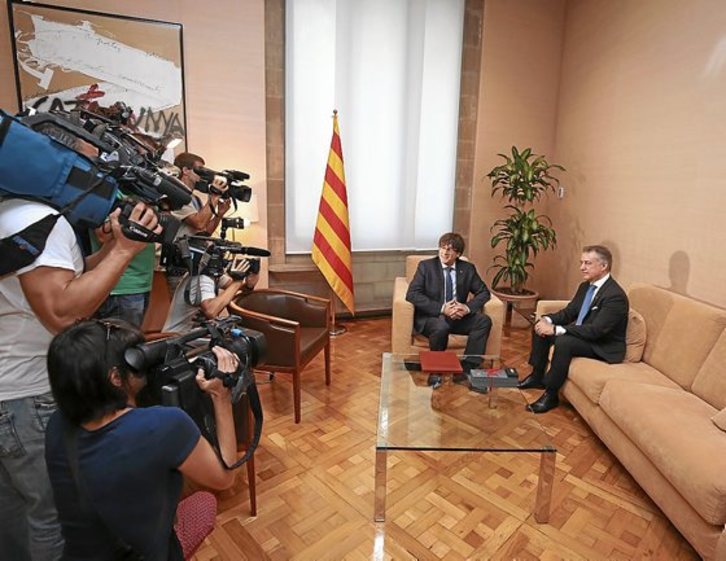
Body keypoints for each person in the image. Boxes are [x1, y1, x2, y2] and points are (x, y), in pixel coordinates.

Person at [0, 194, 159, 561]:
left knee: (11, 514)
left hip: (9, 391)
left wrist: (108, 251)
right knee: (53, 515)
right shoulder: (40, 220)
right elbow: (62, 315)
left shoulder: (14, 216)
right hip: (28, 395)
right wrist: (125, 251)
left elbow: (55, 278)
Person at [44, 319, 238, 560]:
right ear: (116, 378)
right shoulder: (163, 426)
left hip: (81, 554)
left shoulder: (56, 425)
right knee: (204, 503)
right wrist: (221, 396)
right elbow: (224, 477)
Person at [518, 244, 629, 413]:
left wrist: (556, 330)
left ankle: (551, 395)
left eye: (587, 263)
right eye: (581, 263)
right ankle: (537, 376)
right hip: (584, 334)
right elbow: (570, 312)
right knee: (540, 326)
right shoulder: (585, 286)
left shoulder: (615, 296)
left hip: (602, 344)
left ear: (604, 266)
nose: (582, 268)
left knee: (564, 342)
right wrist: (547, 320)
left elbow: (596, 331)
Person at [405, 232, 492, 359]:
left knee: (483, 321)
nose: (445, 253)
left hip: (457, 317)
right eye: (443, 248)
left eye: (450, 250)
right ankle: (437, 367)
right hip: (433, 317)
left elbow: (483, 292)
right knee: (441, 327)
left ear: (458, 254)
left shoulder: (467, 269)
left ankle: (469, 366)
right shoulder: (426, 266)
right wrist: (442, 308)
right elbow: (412, 294)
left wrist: (466, 308)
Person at [166, 152, 232, 294]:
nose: (203, 174)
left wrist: (219, 214)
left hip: (197, 260)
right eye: (199, 170)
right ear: (185, 170)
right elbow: (199, 223)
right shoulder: (176, 195)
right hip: (181, 265)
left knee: (228, 288)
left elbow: (205, 232)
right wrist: (214, 197)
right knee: (185, 306)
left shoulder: (194, 199)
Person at [164, 252, 259, 334]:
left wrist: (249, 283)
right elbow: (211, 311)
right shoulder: (202, 277)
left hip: (194, 335)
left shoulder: (211, 275)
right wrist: (238, 281)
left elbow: (237, 289)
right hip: (176, 338)